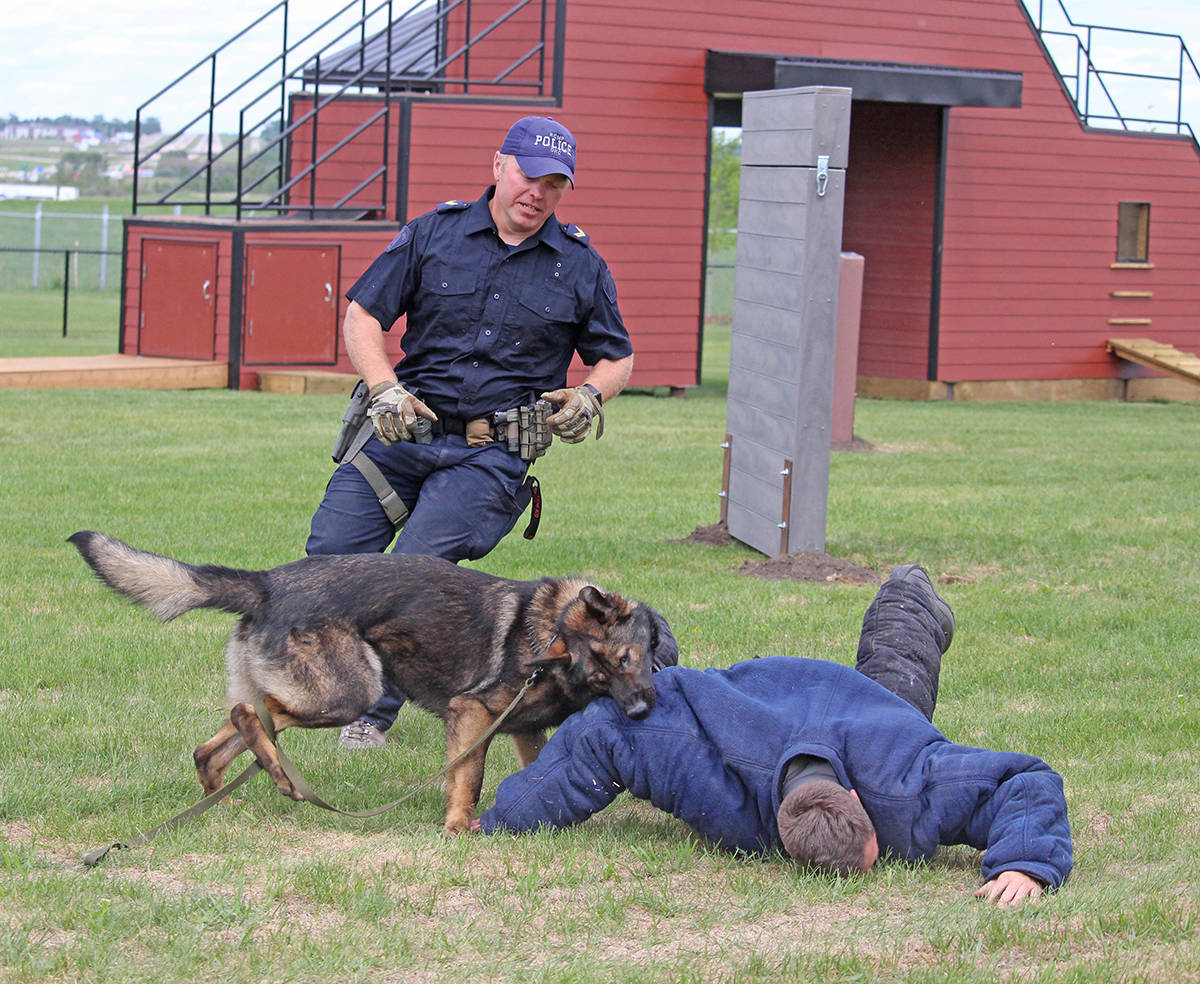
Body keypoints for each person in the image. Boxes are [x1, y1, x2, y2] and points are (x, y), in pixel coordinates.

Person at [306, 116, 638, 750]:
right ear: (498, 165)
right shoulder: (433, 235)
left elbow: (616, 355)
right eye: (526, 174)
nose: (536, 193)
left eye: (553, 183)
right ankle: (315, 684)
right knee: (328, 560)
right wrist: (383, 388)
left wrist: (592, 394)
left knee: (417, 574)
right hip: (403, 431)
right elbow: (362, 313)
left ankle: (370, 717)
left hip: (489, 456)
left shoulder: (580, 265)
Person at [475, 566, 1073, 906]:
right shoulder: (694, 763)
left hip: (867, 716)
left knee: (899, 668)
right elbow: (601, 735)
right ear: (777, 831)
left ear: (860, 804)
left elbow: (1024, 779)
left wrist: (1024, 863)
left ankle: (909, 592)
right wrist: (511, 816)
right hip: (754, 693)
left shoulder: (908, 783)